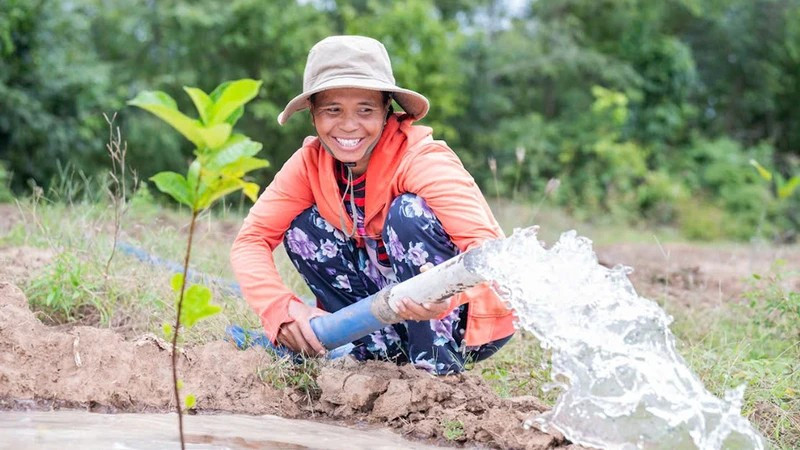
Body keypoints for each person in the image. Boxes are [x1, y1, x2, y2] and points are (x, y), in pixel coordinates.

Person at [230, 35, 514, 375]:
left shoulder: (421, 159)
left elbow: (491, 255)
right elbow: (250, 241)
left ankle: (434, 370)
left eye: (365, 110)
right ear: (314, 118)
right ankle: (377, 356)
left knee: (407, 214)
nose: (348, 125)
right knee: (301, 228)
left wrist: (444, 296)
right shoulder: (310, 164)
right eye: (333, 110)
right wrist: (281, 309)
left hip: (461, 319)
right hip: (386, 309)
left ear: (386, 113)